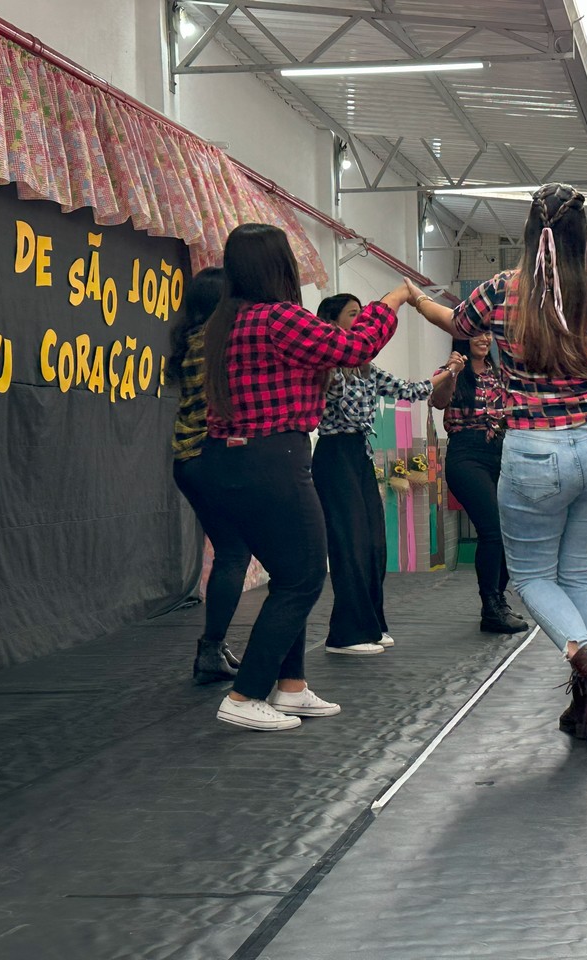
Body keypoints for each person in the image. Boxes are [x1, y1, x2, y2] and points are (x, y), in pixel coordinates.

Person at [408, 183, 587, 742]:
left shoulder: (502, 289)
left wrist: (414, 298)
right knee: (578, 572)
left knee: (531, 576)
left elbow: (455, 323)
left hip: (534, 449)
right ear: (582, 237)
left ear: (531, 234)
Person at [196, 223, 407, 731]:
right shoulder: (278, 319)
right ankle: (245, 695)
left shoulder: (227, 321)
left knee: (288, 574)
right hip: (273, 459)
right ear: (279, 266)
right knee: (305, 577)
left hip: (226, 460)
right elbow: (356, 347)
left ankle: (290, 686)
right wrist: (392, 300)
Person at [312, 294, 462, 654]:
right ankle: (345, 635)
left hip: (360, 455)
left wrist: (448, 372)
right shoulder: (327, 369)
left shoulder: (367, 369)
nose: (362, 322)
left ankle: (371, 625)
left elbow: (410, 390)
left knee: (374, 545)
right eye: (353, 315)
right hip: (334, 456)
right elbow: (350, 412)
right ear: (332, 324)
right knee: (350, 546)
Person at [165, 266, 247, 685]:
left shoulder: (192, 339)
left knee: (234, 550)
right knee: (234, 552)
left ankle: (214, 646)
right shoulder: (218, 342)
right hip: (208, 456)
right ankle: (211, 649)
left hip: (189, 459)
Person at [431, 332, 529, 635]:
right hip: (466, 454)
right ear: (462, 338)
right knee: (492, 529)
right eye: (477, 333)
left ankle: (498, 601)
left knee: (509, 532)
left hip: (501, 451)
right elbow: (438, 402)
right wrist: (452, 372)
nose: (484, 338)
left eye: (488, 332)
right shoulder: (450, 371)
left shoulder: (499, 373)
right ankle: (490, 607)